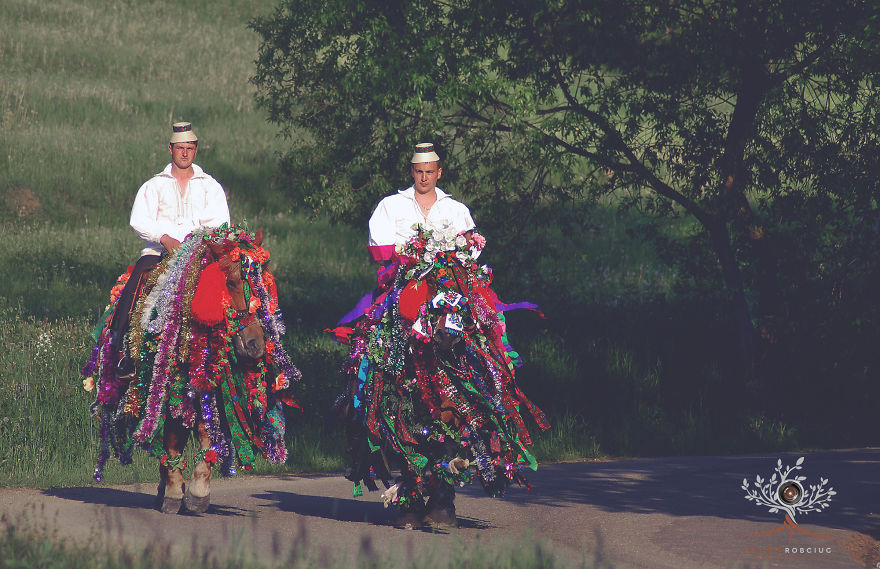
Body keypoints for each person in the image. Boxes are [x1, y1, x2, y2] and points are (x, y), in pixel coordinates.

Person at [333, 143, 549, 530]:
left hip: (448, 299)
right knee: (370, 359)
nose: (424, 177)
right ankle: (371, 427)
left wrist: (444, 268)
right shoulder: (390, 207)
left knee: (484, 346)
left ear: (439, 172)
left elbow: (469, 258)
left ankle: (451, 484)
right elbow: (381, 253)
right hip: (403, 297)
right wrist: (414, 261)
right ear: (412, 172)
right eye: (419, 171)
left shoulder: (456, 210)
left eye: (430, 171)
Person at [110, 122, 230, 370]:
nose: (184, 153)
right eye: (180, 148)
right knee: (137, 285)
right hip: (159, 253)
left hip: (199, 254)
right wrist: (164, 238)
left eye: (189, 148)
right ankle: (123, 350)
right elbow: (138, 220)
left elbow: (221, 224)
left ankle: (231, 352)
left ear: (195, 150)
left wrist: (196, 243)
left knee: (230, 289)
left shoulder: (210, 186)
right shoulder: (154, 185)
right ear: (170, 149)